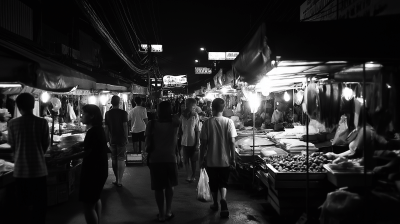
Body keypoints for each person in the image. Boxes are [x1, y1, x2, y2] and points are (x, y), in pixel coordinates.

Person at [7, 93, 50, 224]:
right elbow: (45, 144)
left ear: (18, 107)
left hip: (20, 172)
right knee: (39, 207)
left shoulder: (12, 123)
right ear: (33, 105)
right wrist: (38, 153)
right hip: (39, 171)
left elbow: (12, 145)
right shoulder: (42, 122)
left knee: (22, 207)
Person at [200, 98, 237, 218]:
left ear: (212, 108)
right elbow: (232, 141)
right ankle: (224, 199)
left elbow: (204, 143)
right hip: (225, 160)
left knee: (213, 183)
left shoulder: (207, 123)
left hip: (211, 160)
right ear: (223, 108)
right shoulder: (229, 122)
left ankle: (215, 203)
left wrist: (201, 158)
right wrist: (233, 158)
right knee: (223, 182)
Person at [146, 101, 180, 222]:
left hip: (155, 159)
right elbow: (178, 118)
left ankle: (161, 214)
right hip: (171, 158)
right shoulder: (174, 123)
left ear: (158, 110)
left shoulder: (152, 124)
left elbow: (147, 142)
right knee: (169, 186)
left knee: (158, 187)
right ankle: (168, 211)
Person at [79, 104, 109, 224]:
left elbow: (87, 152)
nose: (81, 116)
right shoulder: (97, 129)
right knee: (95, 199)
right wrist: (77, 146)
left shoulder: (93, 131)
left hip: (93, 171)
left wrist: (66, 157)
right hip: (99, 170)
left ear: (91, 116)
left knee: (88, 206)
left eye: (83, 113)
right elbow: (91, 146)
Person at [105, 96, 129, 187]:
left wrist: (107, 139)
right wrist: (126, 138)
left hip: (113, 139)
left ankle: (116, 179)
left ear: (111, 102)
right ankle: (119, 180)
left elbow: (106, 128)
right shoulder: (123, 113)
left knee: (114, 159)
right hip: (121, 138)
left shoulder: (107, 113)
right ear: (119, 102)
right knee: (121, 158)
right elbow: (125, 126)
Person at [179, 98, 200, 183]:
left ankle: (193, 175)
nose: (193, 108)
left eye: (194, 106)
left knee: (193, 160)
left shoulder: (195, 116)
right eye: (192, 106)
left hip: (193, 141)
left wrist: (197, 143)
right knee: (186, 160)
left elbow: (197, 130)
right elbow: (180, 128)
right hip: (184, 141)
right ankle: (188, 175)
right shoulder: (182, 116)